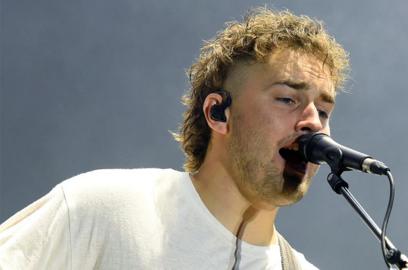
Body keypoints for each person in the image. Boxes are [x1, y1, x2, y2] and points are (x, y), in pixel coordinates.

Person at [0, 7, 349, 270]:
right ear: (218, 113)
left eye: (323, 111)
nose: (312, 123)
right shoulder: (105, 207)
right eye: (288, 99)